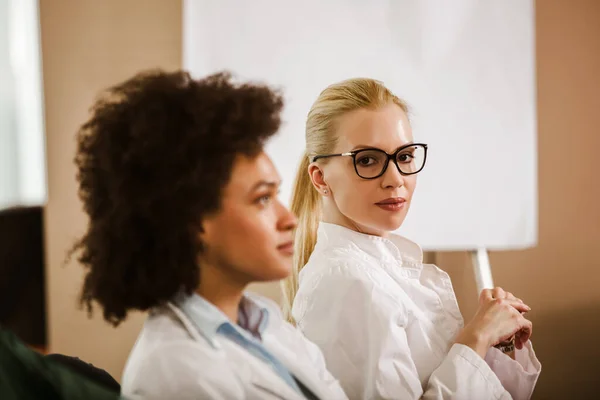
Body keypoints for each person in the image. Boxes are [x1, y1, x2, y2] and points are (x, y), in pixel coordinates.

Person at [71, 70, 347, 400]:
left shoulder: (262, 320)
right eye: (262, 199)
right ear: (194, 220)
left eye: (277, 195)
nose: (289, 219)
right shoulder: (177, 373)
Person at [282, 78, 541, 399]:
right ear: (320, 178)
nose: (395, 179)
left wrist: (492, 338)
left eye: (404, 156)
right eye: (367, 159)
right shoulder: (347, 282)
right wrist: (475, 338)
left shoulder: (375, 265)